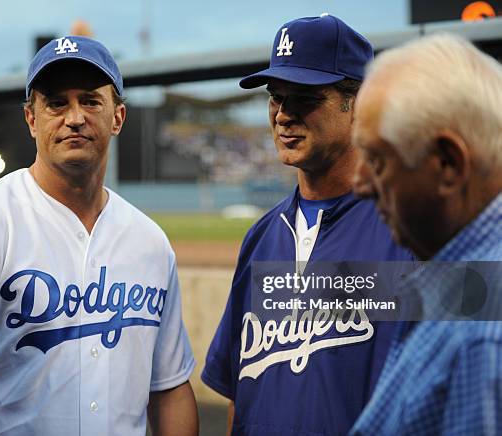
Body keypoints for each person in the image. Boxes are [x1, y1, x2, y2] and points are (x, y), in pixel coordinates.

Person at [0, 36, 198, 436]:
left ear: (118, 117)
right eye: (56, 102)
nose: (74, 117)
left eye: (90, 100)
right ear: (31, 119)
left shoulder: (151, 243)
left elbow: (171, 389)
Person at [201, 14, 413, 436]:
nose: (283, 115)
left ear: (361, 105)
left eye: (305, 98)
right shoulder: (261, 237)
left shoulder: (410, 232)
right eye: (276, 97)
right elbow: (238, 391)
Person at [351, 33, 502, 435]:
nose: (360, 183)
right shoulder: (463, 280)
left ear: (448, 164)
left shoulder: (482, 338)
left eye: (378, 161)